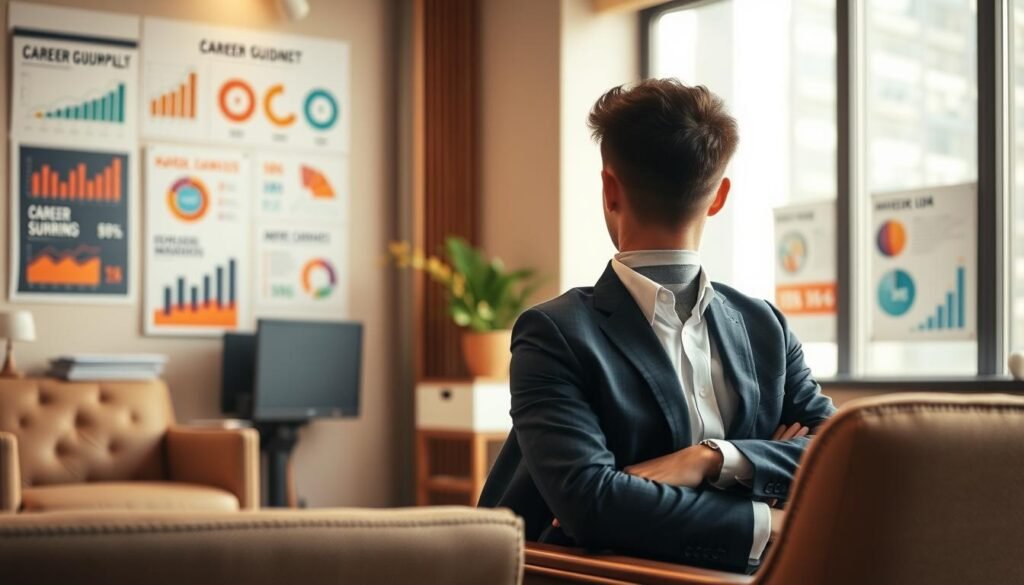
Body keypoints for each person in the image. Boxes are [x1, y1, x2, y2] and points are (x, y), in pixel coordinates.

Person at [478, 78, 836, 574]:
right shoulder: (556, 333)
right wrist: (768, 517)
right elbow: (592, 506)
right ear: (718, 196)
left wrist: (712, 459)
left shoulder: (762, 325)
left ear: (609, 189)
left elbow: (836, 459)